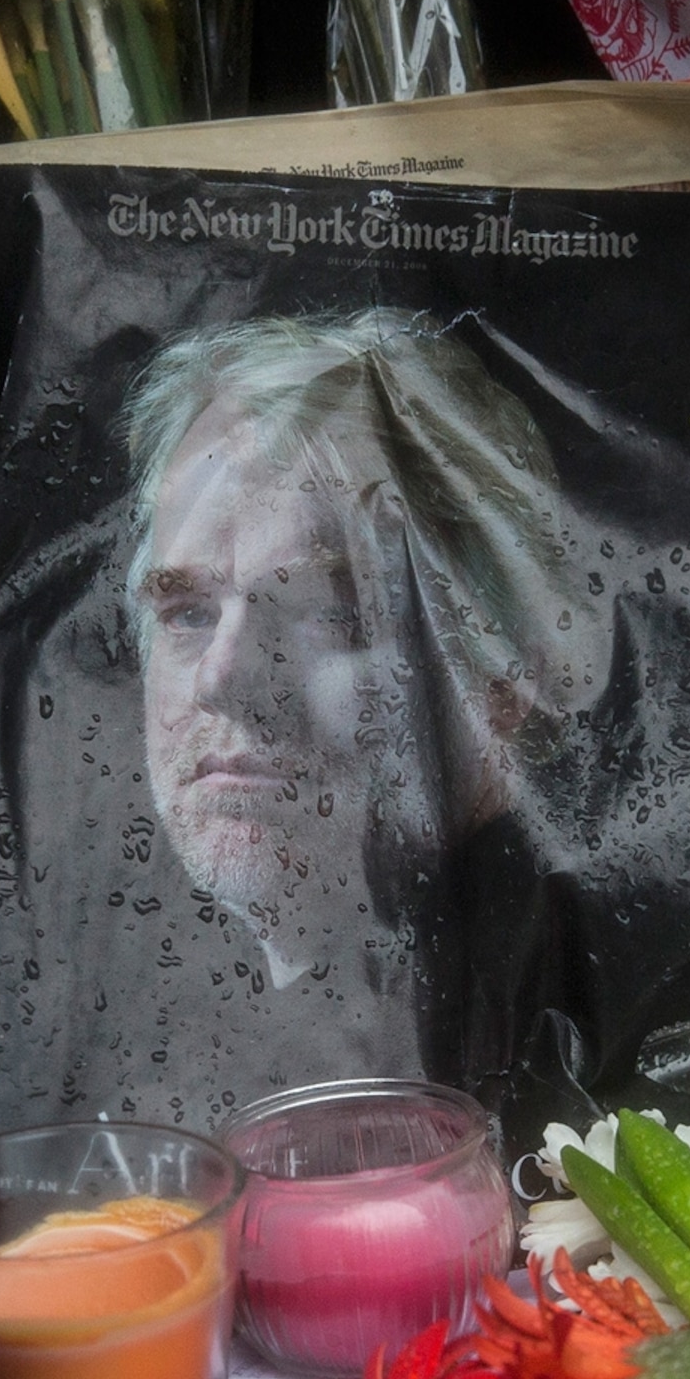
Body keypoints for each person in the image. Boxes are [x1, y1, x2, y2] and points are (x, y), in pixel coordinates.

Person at [119, 310, 607, 1089]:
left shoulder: (575, 1034)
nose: (222, 678)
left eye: (332, 612)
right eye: (188, 613)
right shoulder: (159, 1027)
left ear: (506, 669)